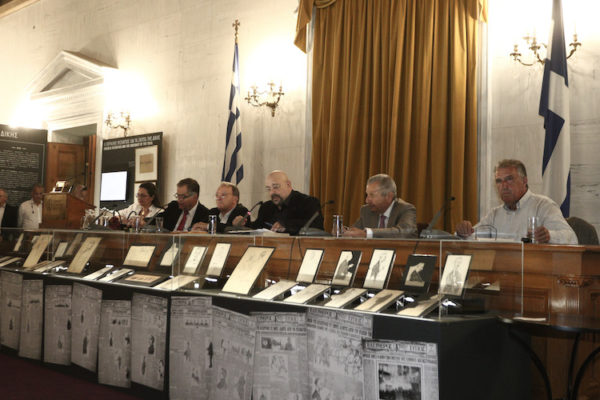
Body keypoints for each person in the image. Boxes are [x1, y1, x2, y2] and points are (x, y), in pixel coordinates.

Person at [455, 159, 577, 244]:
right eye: (499, 181)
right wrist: (463, 233)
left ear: (524, 181)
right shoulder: (494, 215)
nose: (504, 186)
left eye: (509, 179)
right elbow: (473, 237)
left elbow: (571, 238)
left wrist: (549, 236)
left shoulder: (543, 206)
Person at [233, 170, 323, 235]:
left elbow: (316, 226)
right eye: (269, 189)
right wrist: (244, 224)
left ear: (288, 184)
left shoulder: (308, 202)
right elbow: (257, 228)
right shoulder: (266, 207)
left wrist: (286, 225)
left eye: (276, 187)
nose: (272, 192)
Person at [343, 174, 417, 238]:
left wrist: (368, 233)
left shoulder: (406, 209)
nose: (367, 200)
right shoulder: (366, 210)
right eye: (367, 195)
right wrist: (344, 231)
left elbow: (405, 232)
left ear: (389, 196)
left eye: (372, 195)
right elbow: (356, 231)